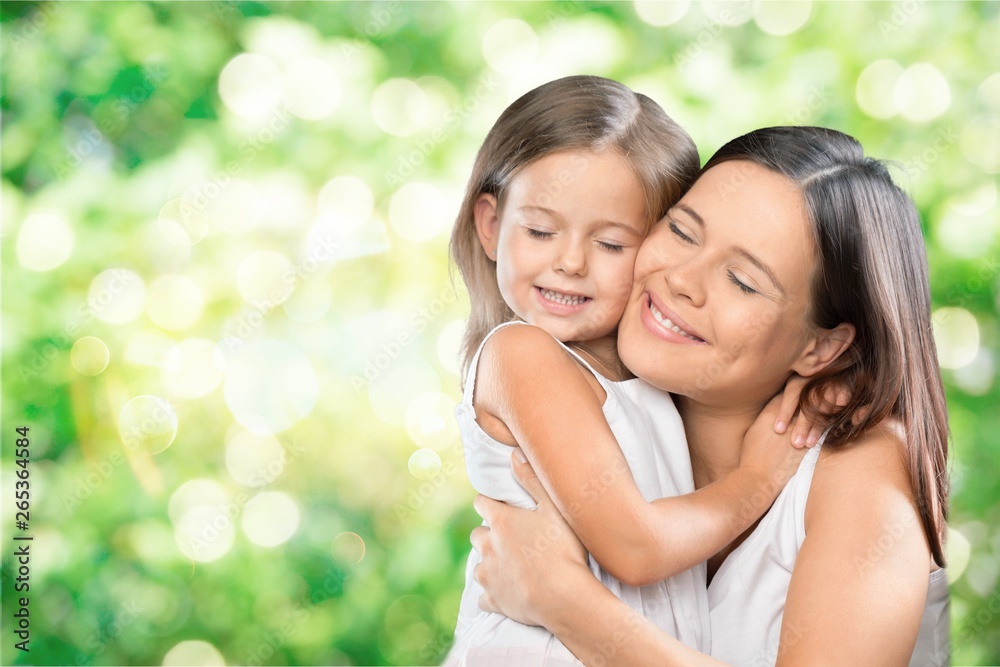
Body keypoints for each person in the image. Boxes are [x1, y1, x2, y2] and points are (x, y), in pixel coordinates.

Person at [470, 126, 951, 666]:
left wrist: (566, 603)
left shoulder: (861, 463)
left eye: (742, 282)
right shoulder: (600, 412)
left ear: (822, 348)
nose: (682, 281)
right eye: (681, 232)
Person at [445, 78, 825, 665]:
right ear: (491, 224)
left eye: (613, 244)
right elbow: (636, 549)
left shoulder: (652, 377)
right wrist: (754, 482)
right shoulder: (520, 355)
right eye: (541, 231)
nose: (569, 262)